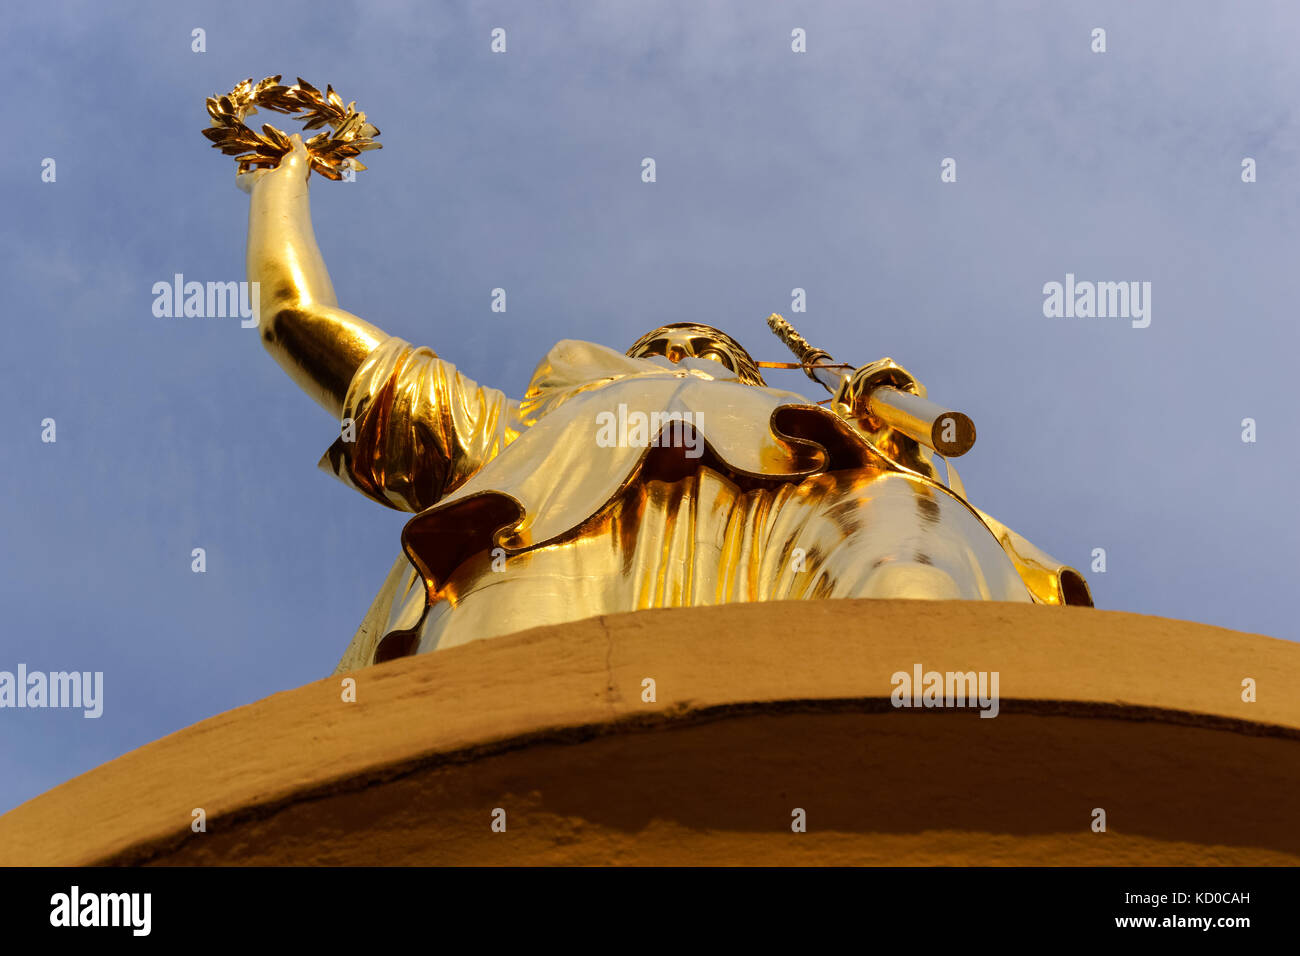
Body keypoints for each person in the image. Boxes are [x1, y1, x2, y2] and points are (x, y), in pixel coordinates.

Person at [238, 136, 1091, 673]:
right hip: (549, 560)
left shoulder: (839, 449)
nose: (683, 354)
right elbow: (293, 319)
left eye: (710, 350)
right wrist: (284, 180)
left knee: (919, 610)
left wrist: (882, 429)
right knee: (506, 707)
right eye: (661, 347)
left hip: (810, 505)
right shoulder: (518, 433)